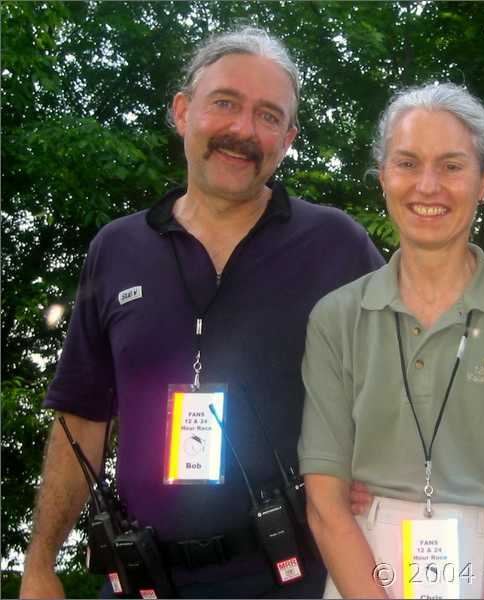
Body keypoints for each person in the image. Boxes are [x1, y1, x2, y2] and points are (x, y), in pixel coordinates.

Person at [20, 27, 384, 599]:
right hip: (141, 581)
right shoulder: (116, 250)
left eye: (268, 116)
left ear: (288, 138)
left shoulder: (336, 245)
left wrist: (377, 467)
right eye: (225, 104)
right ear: (183, 111)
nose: (243, 130)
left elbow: (404, 381)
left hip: (293, 578)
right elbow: (80, 418)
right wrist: (40, 566)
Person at [298, 83, 484, 599]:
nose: (428, 186)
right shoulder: (335, 317)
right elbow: (325, 503)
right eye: (407, 163)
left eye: (451, 166)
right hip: (365, 575)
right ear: (383, 175)